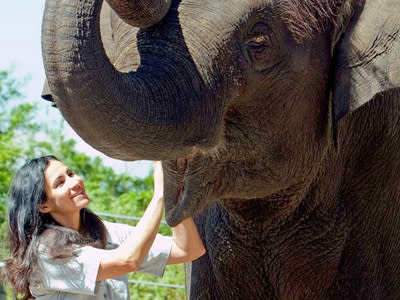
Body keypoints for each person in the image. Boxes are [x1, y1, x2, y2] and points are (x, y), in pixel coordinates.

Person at [5, 156, 205, 300]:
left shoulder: (107, 232)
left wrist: (175, 194)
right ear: (43, 206)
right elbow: (128, 260)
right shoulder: (46, 253)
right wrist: (160, 195)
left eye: (71, 173)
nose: (75, 182)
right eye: (60, 183)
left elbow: (188, 249)